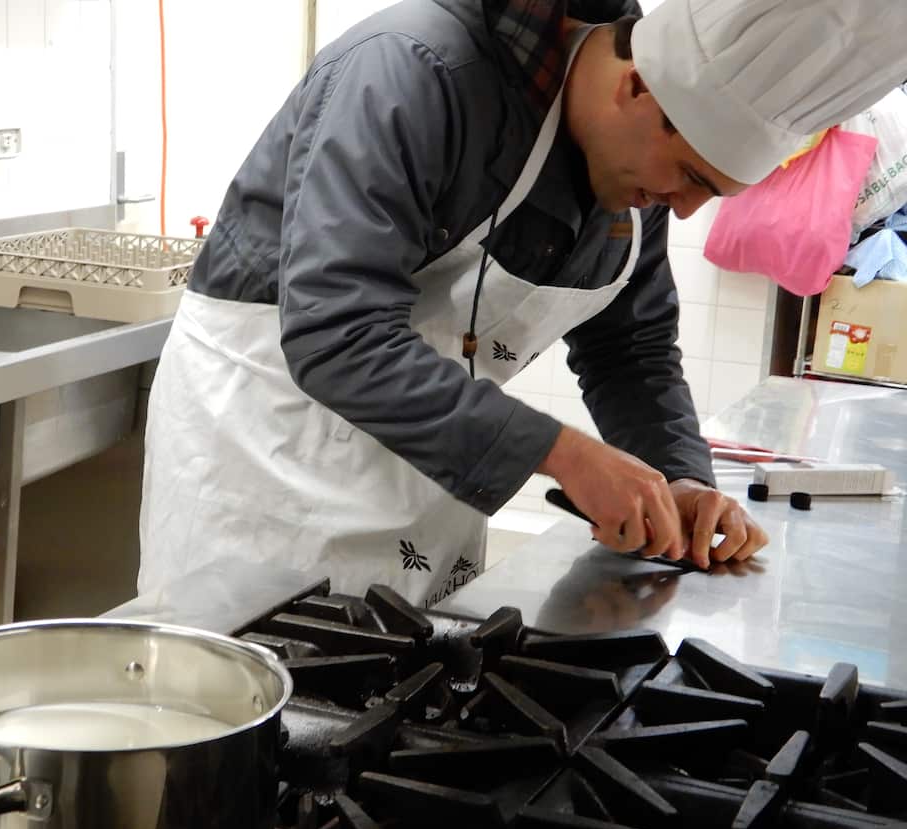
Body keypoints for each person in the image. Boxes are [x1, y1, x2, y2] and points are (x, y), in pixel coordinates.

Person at [138, 0, 907, 605]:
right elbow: (339, 335)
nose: (686, 211)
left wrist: (682, 478)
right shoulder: (413, 71)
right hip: (264, 461)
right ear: (640, 86)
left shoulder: (630, 177)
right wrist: (568, 455)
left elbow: (630, 352)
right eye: (693, 177)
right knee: (231, 756)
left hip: (418, 477)